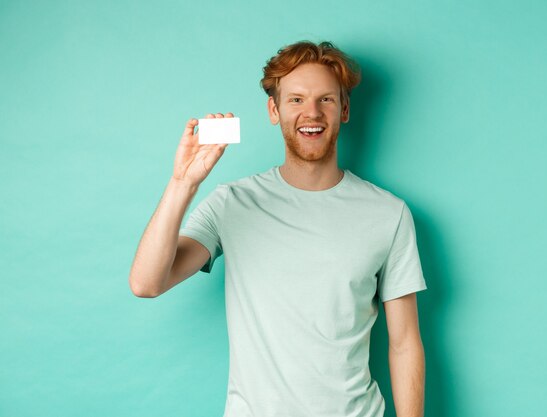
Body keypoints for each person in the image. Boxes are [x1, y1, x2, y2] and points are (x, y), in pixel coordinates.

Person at [128, 40, 427, 417]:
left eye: (326, 100)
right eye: (296, 100)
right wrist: (182, 183)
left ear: (345, 109)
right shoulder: (231, 202)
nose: (312, 113)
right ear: (274, 109)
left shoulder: (388, 213)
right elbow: (146, 283)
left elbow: (404, 343)